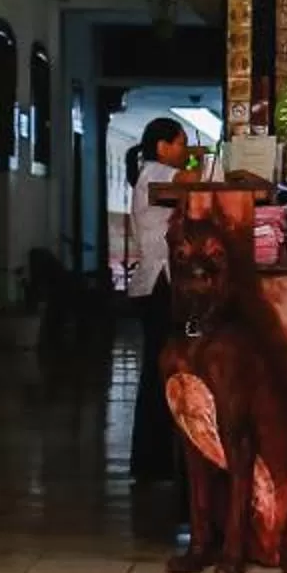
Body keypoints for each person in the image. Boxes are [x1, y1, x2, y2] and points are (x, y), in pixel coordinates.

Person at [126, 117, 190, 481]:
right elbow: (192, 181)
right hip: (157, 284)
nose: (184, 152)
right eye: (181, 144)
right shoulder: (154, 171)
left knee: (160, 371)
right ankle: (152, 461)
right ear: (163, 147)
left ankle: (156, 460)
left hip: (159, 283)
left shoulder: (153, 172)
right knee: (158, 372)